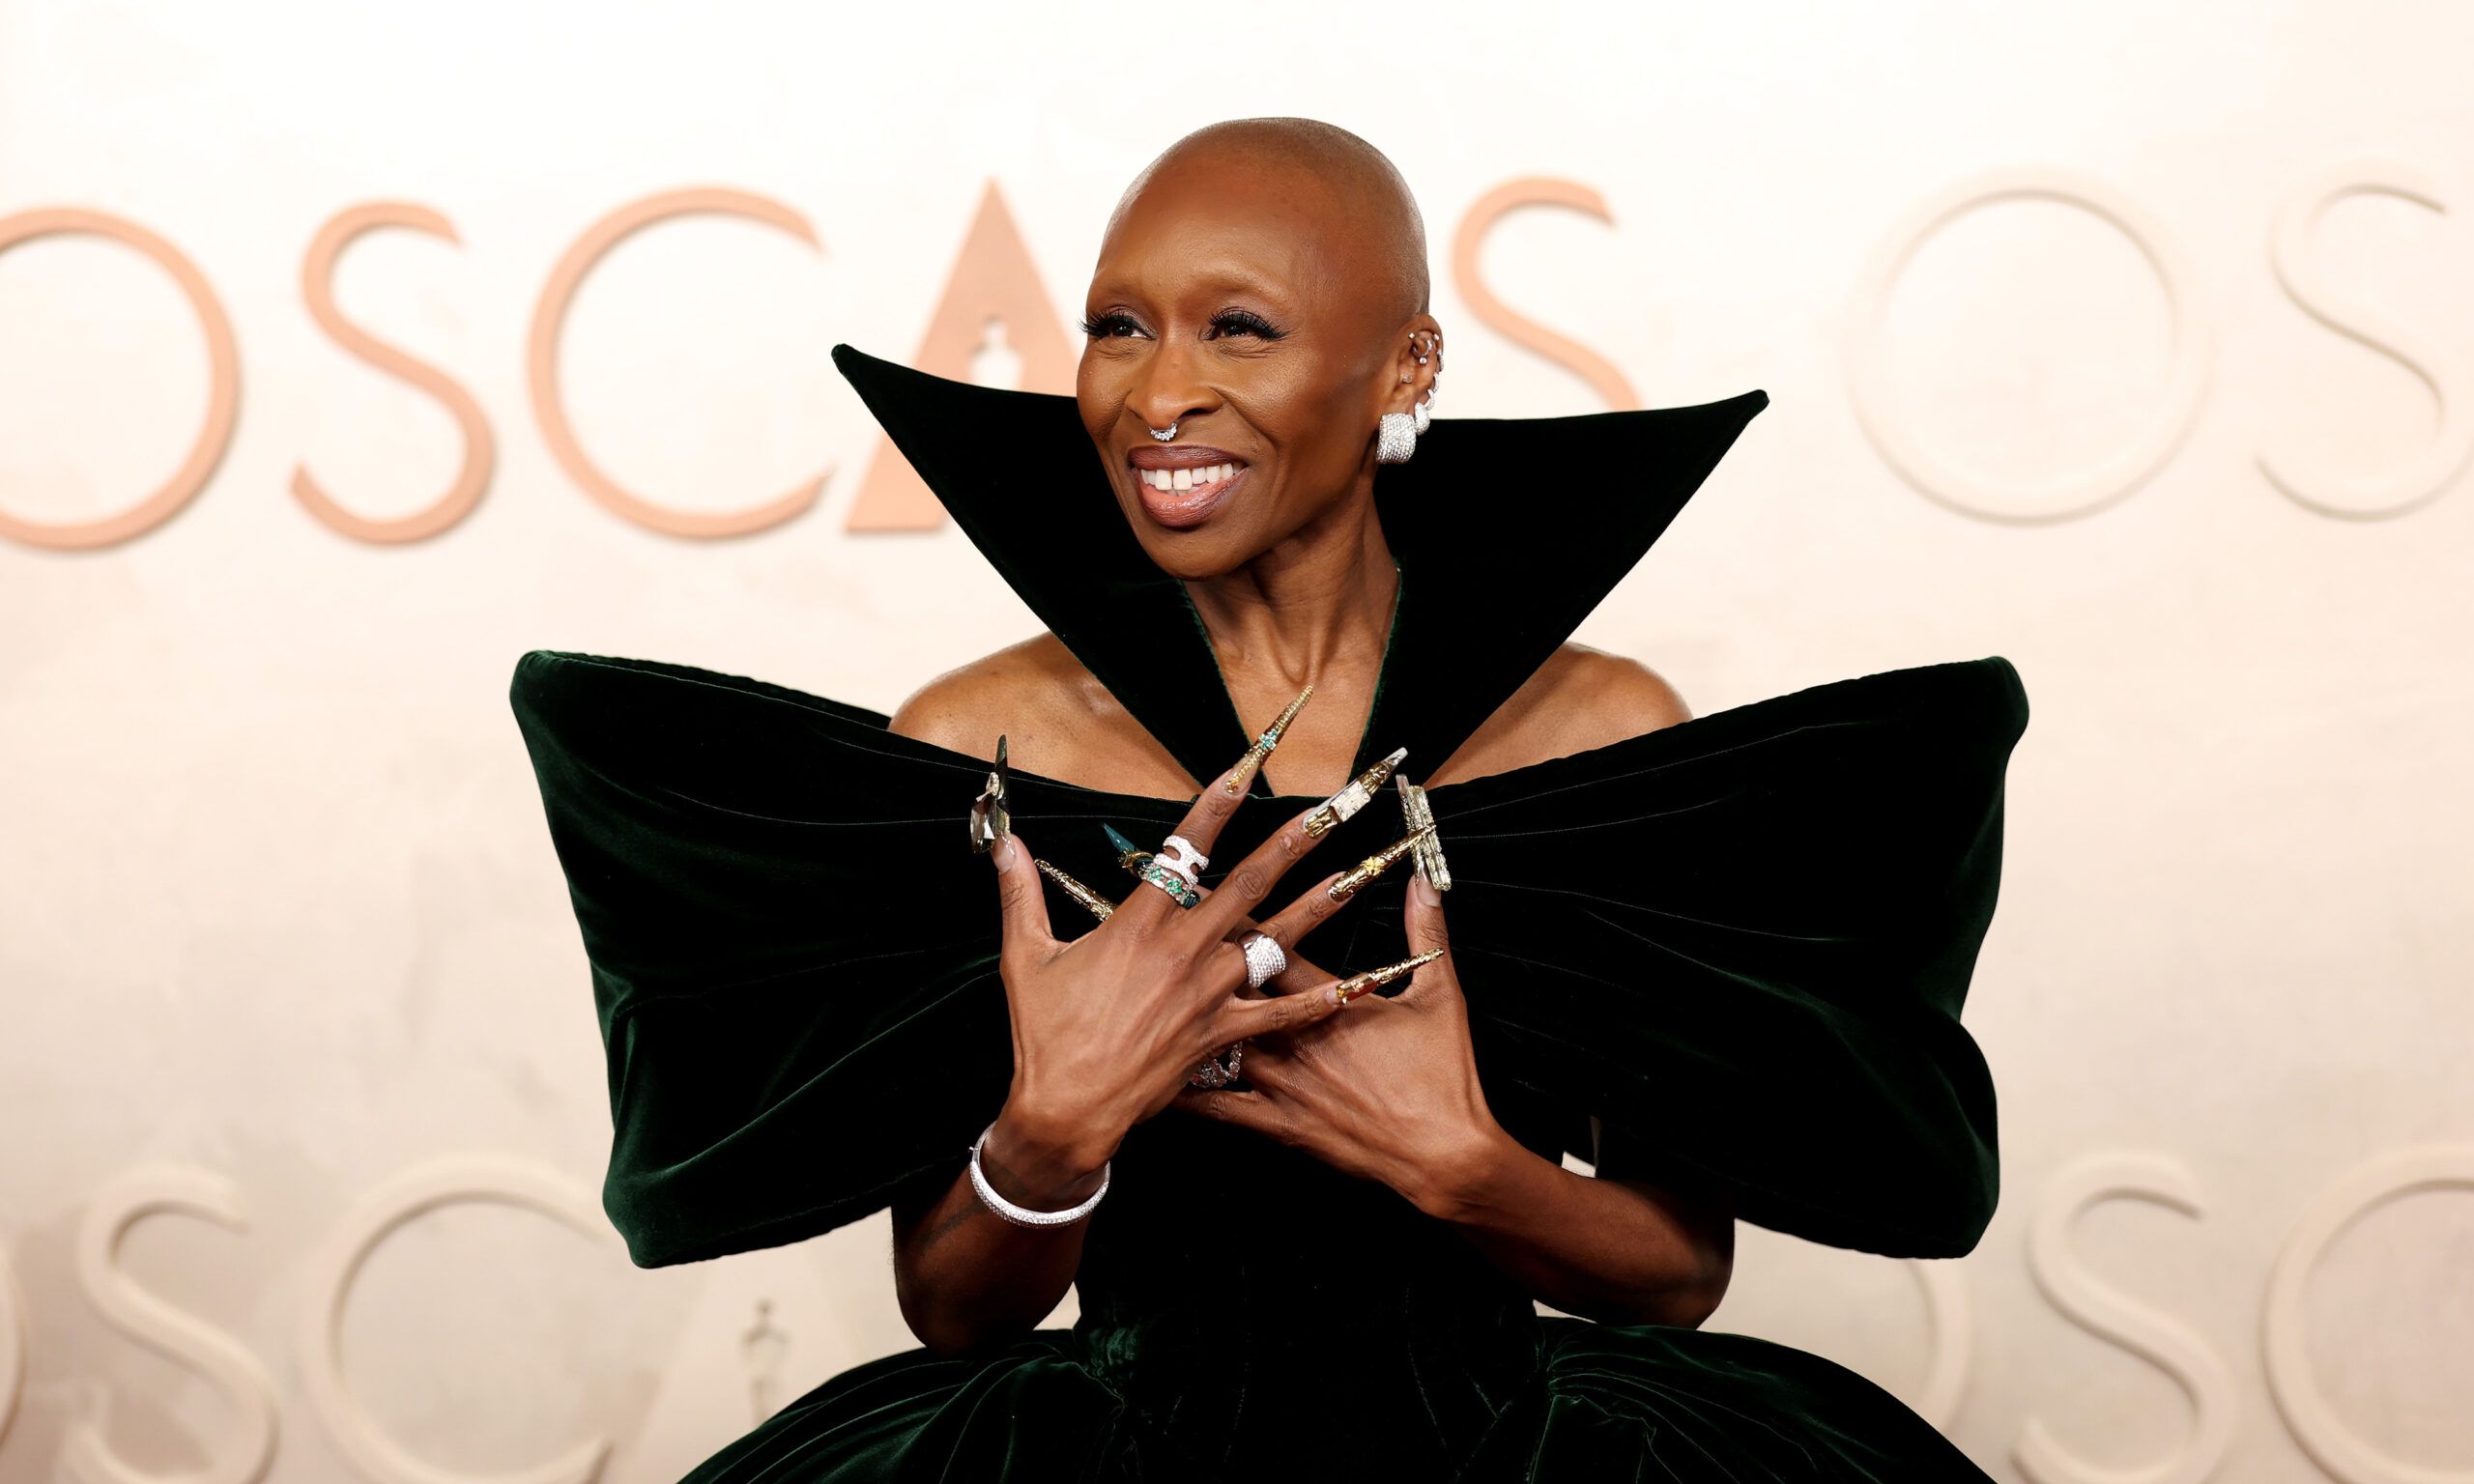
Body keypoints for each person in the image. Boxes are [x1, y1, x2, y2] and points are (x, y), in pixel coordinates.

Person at [510, 117, 2029, 1482]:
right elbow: (950, 1307)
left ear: (1408, 366)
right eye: (1117, 327)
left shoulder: (1606, 733)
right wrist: (1051, 1134)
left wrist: (1459, 1161)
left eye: (1238, 328)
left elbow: (1674, 1275)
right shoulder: (980, 741)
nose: (1161, 392)